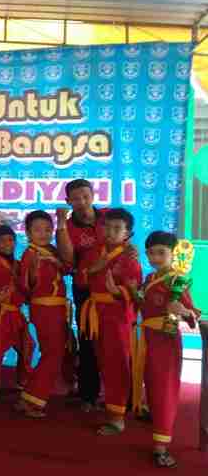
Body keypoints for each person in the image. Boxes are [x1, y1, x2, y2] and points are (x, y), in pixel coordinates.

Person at [133, 232, 200, 468]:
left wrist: (183, 311)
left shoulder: (176, 280)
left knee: (164, 390)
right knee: (151, 384)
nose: (155, 257)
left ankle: (161, 446)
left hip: (166, 341)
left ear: (173, 254)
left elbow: (193, 314)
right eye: (151, 253)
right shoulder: (150, 277)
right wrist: (130, 291)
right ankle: (155, 422)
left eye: (161, 253)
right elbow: (142, 303)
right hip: (148, 339)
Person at [76, 209, 142, 436]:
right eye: (107, 227)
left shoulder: (130, 258)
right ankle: (114, 406)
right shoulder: (94, 251)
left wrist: (117, 292)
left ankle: (117, 418)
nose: (110, 232)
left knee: (117, 364)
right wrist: (94, 268)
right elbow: (80, 281)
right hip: (95, 314)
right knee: (103, 361)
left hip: (117, 316)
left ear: (127, 234)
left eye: (117, 228)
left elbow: (135, 292)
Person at [55, 179, 108, 411]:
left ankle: (123, 398)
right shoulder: (67, 227)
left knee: (118, 340)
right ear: (68, 201)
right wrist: (60, 224)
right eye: (76, 198)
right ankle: (88, 394)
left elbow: (124, 242)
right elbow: (67, 259)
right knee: (87, 340)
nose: (82, 202)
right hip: (85, 288)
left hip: (112, 287)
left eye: (86, 196)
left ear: (93, 195)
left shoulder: (108, 216)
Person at [15, 211, 71, 418]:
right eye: (38, 230)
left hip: (58, 308)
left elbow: (67, 268)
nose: (44, 234)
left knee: (53, 352)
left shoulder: (52, 250)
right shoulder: (30, 254)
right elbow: (25, 285)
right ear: (28, 233)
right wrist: (34, 270)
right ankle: (32, 399)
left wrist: (55, 261)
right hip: (44, 308)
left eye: (48, 229)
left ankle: (29, 396)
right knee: (53, 353)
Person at [0, 225, 33, 418]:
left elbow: (26, 290)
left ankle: (23, 383)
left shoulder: (18, 265)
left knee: (28, 345)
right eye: (2, 240)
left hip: (16, 315)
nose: (7, 244)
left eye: (10, 240)